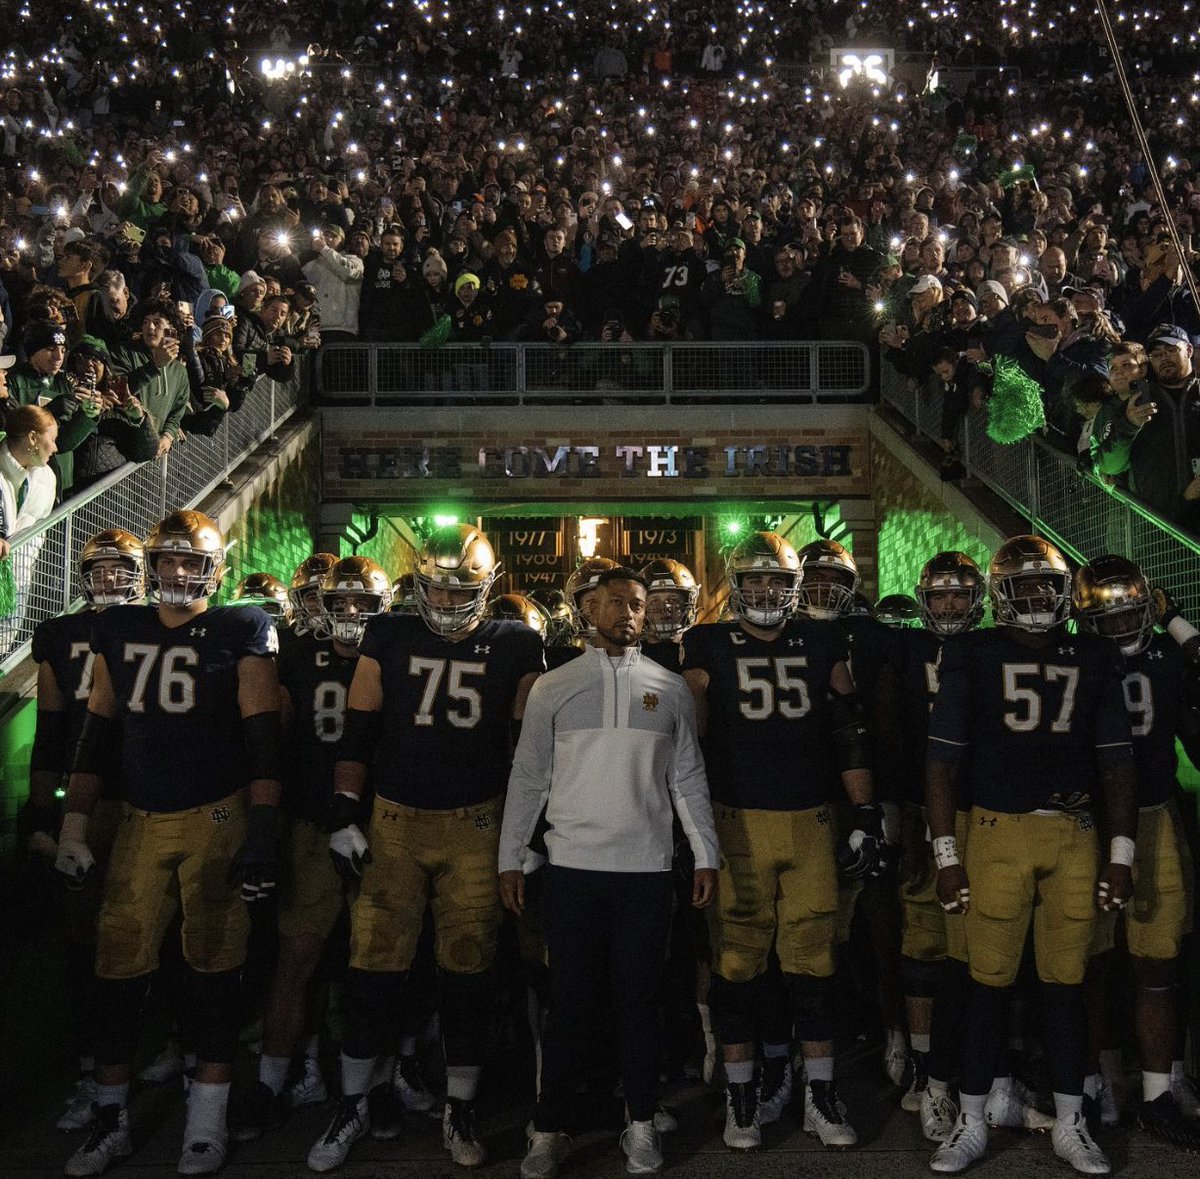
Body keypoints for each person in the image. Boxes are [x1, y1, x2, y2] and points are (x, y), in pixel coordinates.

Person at [55, 509, 283, 1177]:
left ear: (216, 565)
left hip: (217, 814)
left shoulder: (242, 624)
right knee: (116, 970)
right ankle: (110, 1115)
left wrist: (264, 827)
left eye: (191, 560)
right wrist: (74, 821)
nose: (178, 572)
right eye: (169, 560)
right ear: (151, 564)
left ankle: (206, 1120)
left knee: (214, 969)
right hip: (140, 818)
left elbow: (263, 737)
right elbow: (95, 731)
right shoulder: (119, 625)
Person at [308, 524, 543, 1172]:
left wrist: (529, 833)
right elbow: (356, 733)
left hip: (478, 823)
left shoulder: (517, 641)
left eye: (460, 587)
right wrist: (345, 814)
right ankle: (353, 1101)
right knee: (372, 968)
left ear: (487, 586)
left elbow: (530, 751)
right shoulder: (388, 634)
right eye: (436, 585)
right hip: (395, 821)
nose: (445, 599)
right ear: (419, 582)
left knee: (468, 971)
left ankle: (459, 1105)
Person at [926, 535, 1137, 1175]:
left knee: (1065, 988)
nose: (1037, 596)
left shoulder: (1094, 655)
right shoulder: (971, 651)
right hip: (993, 832)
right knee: (985, 987)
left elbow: (1118, 764)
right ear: (1001, 593)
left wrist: (1121, 852)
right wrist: (944, 854)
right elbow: (940, 762)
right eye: (1023, 586)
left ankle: (1072, 1123)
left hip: (1073, 834)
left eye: (1046, 585)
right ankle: (971, 1118)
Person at [501, 567, 718, 1179]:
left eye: (638, 603)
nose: (628, 611)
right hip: (572, 872)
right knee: (568, 1005)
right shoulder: (554, 686)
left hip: (646, 872)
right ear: (588, 610)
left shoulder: (668, 687)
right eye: (614, 602)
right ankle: (548, 1131)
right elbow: (529, 777)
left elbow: (687, 778)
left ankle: (642, 1125)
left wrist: (705, 853)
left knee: (639, 1003)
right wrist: (511, 856)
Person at [681, 531, 886, 1150]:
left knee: (815, 961)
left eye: (776, 580)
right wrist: (689, 824)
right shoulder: (705, 642)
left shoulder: (825, 639)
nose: (766, 591)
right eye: (755, 580)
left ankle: (820, 1093)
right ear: (735, 586)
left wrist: (866, 808)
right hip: (735, 818)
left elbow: (850, 730)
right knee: (737, 963)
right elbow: (689, 742)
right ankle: (742, 1096)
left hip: (809, 818)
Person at [235, 556, 392, 1141]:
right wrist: (266, 818)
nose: (351, 613)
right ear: (321, 606)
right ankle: (273, 1080)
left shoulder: (397, 649)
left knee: (382, 964)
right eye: (341, 602)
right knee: (295, 960)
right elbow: (270, 739)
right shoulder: (295, 655)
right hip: (308, 820)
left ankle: (380, 1081)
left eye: (363, 603)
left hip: (381, 822)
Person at [1073, 558, 1200, 1150]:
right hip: (1085, 824)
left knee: (1157, 965)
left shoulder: (1166, 659)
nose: (1123, 625)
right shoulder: (1070, 661)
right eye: (1109, 615)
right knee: (1088, 964)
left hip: (1151, 816)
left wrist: (1176, 623)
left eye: (1133, 611)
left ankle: (1156, 1091)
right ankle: (1097, 1085)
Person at [20, 529, 144, 1132]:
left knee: (152, 926)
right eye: (98, 570)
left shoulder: (157, 626)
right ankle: (96, 1067)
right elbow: (49, 730)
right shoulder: (63, 636)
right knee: (84, 937)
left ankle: (161, 1049)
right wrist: (41, 814)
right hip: (88, 800)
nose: (108, 579)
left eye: (121, 569)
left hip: (148, 796)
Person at [892, 552, 986, 1143]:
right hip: (921, 806)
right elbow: (886, 729)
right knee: (924, 938)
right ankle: (930, 1072)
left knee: (986, 943)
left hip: (992, 807)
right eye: (941, 595)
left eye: (960, 594)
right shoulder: (901, 651)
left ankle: (987, 1072)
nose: (950, 604)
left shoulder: (996, 648)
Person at [0, 403, 61, 650]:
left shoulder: (47, 477)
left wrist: (22, 571)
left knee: (4, 645)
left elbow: (37, 533)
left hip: (15, 581)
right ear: (33, 437)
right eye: (53, 439)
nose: (56, 447)